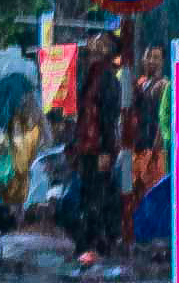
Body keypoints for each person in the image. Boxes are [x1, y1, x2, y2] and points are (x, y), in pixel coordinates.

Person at [69, 31, 122, 268]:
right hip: (87, 147)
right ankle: (88, 243)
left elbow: (108, 118)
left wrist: (105, 150)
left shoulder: (108, 79)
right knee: (88, 195)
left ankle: (96, 245)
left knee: (97, 196)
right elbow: (83, 114)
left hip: (98, 148)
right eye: (93, 41)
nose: (93, 44)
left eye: (100, 42)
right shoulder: (89, 75)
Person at [123, 43, 170, 250]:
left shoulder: (165, 85)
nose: (151, 61)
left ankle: (153, 240)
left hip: (154, 149)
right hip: (137, 147)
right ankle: (135, 235)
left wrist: (156, 149)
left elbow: (162, 120)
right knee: (135, 193)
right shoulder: (140, 83)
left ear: (162, 61)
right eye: (148, 56)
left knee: (152, 194)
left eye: (156, 57)